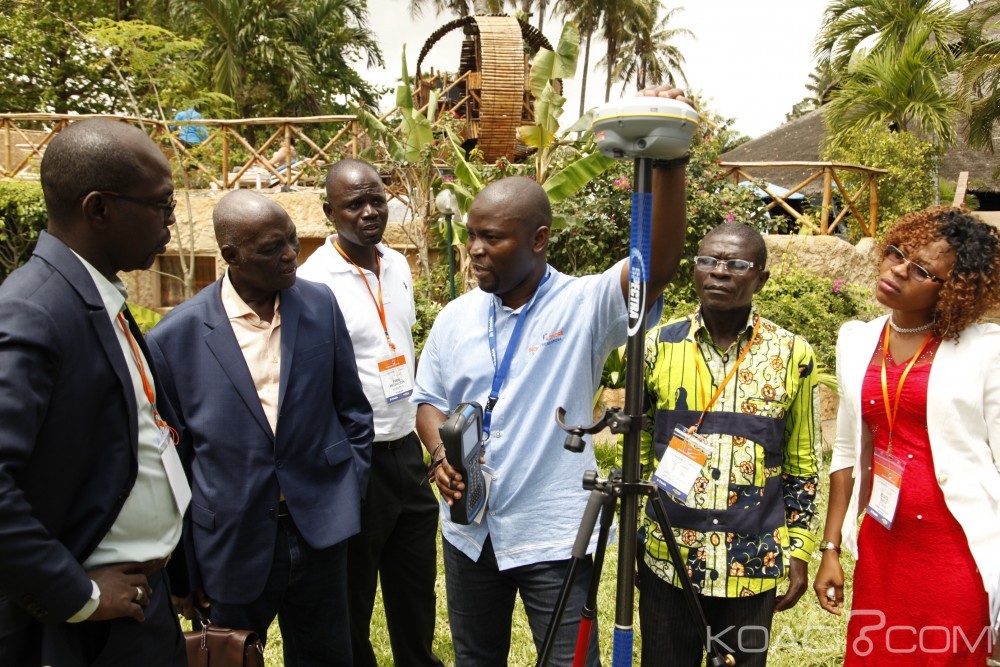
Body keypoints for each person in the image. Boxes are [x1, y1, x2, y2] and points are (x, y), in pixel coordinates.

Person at [411, 85, 693, 667]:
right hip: (469, 532)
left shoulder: (583, 305)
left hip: (554, 534)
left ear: (539, 240)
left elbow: (655, 267)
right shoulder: (456, 316)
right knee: (475, 659)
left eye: (493, 237)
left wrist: (669, 161)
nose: (474, 250)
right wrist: (441, 456)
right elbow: (429, 401)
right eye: (471, 235)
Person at [146, 190, 374, 666]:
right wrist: (184, 573)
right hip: (230, 540)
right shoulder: (175, 338)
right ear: (230, 255)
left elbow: (352, 409)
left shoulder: (318, 304)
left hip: (320, 527)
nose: (291, 253)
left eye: (291, 239)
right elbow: (176, 465)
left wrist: (347, 487)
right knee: (231, 657)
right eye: (272, 248)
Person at [0, 118, 189, 666]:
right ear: (98, 209)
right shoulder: (32, 312)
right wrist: (77, 595)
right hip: (82, 627)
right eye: (162, 206)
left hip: (140, 603)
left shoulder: (98, 296)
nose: (171, 224)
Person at [813, 206, 1000, 665]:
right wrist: (832, 546)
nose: (898, 268)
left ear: (952, 289)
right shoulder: (856, 340)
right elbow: (846, 450)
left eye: (921, 270)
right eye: (897, 252)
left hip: (956, 548)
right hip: (883, 543)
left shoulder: (985, 350)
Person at [636, 222, 820, 666]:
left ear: (761, 278)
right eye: (708, 261)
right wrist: (635, 538)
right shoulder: (655, 347)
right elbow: (639, 451)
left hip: (753, 564)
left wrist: (798, 549)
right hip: (669, 556)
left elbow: (800, 460)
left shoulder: (792, 354)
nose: (718, 272)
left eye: (736, 264)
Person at [298, 159, 443, 667]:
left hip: (406, 450)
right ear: (328, 211)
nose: (368, 212)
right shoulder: (311, 282)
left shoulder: (398, 264)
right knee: (353, 591)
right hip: (356, 460)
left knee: (415, 584)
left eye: (376, 200)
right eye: (353, 204)